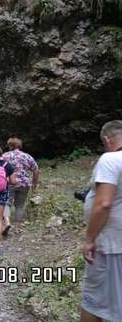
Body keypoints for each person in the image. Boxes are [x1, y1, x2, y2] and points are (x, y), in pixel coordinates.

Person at [81, 120, 122, 322]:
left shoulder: (111, 159)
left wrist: (89, 240)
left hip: (110, 245)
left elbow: (104, 203)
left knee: (93, 303)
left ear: (107, 140)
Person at [2, 137, 39, 234]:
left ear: (10, 145)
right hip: (24, 184)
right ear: (19, 145)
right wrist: (34, 184)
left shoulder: (4, 156)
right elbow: (36, 170)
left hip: (9, 183)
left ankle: (7, 223)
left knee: (6, 203)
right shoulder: (27, 156)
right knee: (20, 206)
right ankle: (17, 228)